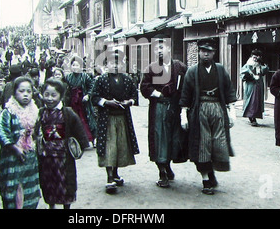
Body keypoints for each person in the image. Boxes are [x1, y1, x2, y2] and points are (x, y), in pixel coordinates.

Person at [180, 39, 237, 195]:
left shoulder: (220, 70)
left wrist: (232, 111)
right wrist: (183, 115)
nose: (206, 53)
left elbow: (229, 91)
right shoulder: (192, 71)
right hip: (200, 111)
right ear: (199, 52)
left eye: (209, 51)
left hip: (218, 109)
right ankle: (206, 179)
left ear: (214, 53)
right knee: (202, 145)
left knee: (218, 143)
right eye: (203, 50)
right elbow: (185, 95)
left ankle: (211, 172)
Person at [140, 34, 188, 188]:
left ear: (168, 48)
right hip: (159, 108)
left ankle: (168, 166)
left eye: (161, 47)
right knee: (160, 139)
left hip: (175, 107)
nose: (158, 51)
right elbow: (144, 87)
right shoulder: (151, 68)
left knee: (174, 139)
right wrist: (158, 94)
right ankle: (162, 172)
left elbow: (188, 84)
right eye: (155, 48)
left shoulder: (179, 67)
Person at [34, 79, 89, 209]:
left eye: (54, 95)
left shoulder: (67, 113)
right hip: (46, 156)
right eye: (46, 94)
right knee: (48, 182)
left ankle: (66, 207)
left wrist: (79, 146)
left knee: (65, 183)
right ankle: (51, 206)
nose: (50, 98)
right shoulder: (41, 112)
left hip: (63, 156)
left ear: (61, 95)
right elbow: (35, 131)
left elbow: (79, 130)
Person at [92, 49, 140, 194]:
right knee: (109, 147)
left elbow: (134, 95)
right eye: (111, 63)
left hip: (122, 118)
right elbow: (94, 97)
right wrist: (106, 102)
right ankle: (109, 178)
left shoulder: (127, 80)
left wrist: (129, 102)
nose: (115, 66)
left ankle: (116, 173)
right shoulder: (101, 80)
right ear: (106, 65)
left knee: (120, 146)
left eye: (118, 63)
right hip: (107, 119)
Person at [0, 76, 41, 209]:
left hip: (30, 158)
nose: (26, 94)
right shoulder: (8, 112)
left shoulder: (35, 111)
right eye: (21, 91)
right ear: (14, 92)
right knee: (12, 189)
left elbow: (38, 132)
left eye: (29, 91)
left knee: (29, 188)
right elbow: (1, 132)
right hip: (12, 158)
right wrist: (14, 147)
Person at [66, 56, 97, 145]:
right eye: (73, 65)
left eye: (77, 65)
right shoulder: (68, 77)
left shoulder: (84, 76)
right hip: (73, 102)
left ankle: (93, 138)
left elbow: (91, 86)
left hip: (83, 102)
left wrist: (87, 95)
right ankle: (79, 140)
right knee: (75, 120)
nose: (75, 67)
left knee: (87, 120)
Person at [241, 49, 269, 126]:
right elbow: (243, 73)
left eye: (257, 56)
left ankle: (254, 116)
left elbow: (265, 71)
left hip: (258, 85)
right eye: (254, 56)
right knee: (251, 101)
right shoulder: (248, 64)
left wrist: (262, 63)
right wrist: (250, 76)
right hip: (250, 85)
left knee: (257, 102)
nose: (255, 58)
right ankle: (251, 118)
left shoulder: (260, 65)